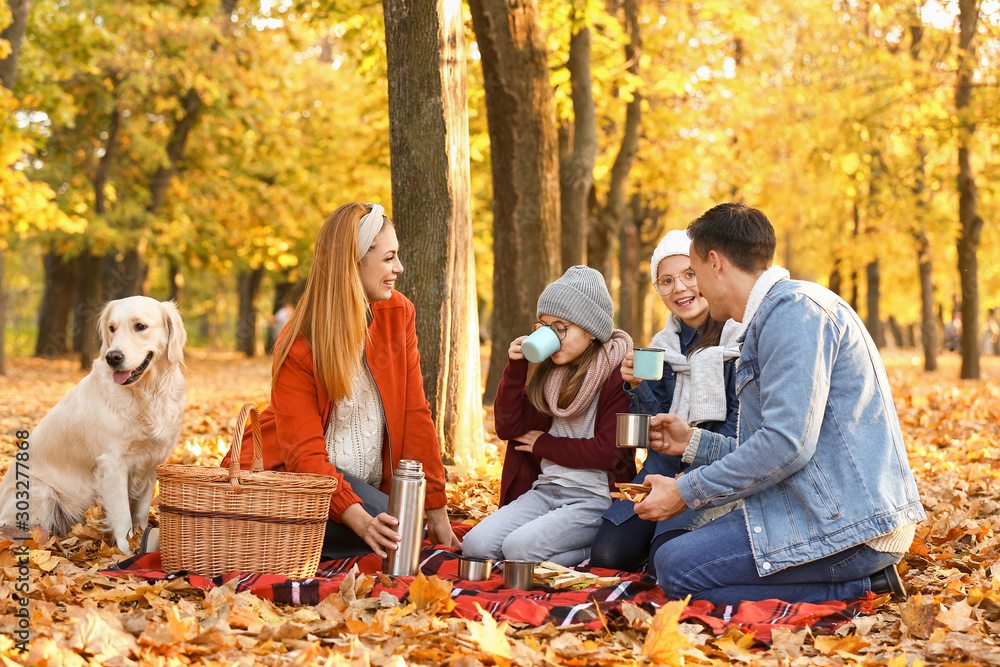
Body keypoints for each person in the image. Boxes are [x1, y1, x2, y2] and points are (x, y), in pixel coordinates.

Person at [637, 203, 925, 605]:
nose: (694, 287)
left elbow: (785, 445)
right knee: (670, 562)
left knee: (676, 567)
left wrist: (686, 490)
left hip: (855, 526)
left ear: (715, 263)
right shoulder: (772, 317)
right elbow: (777, 447)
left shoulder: (794, 313)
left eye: (695, 272)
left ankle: (863, 586)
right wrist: (694, 443)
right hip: (810, 505)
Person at [223, 202, 460, 560]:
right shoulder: (300, 341)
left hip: (354, 483)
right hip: (287, 477)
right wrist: (360, 521)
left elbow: (415, 415)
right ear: (354, 262)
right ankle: (235, 532)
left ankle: (287, 541)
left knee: (404, 527)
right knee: (386, 530)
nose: (399, 268)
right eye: (388, 258)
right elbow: (303, 455)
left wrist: (436, 509)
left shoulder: (399, 314)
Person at [461, 266, 637, 567]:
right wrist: (515, 369)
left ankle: (595, 550)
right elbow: (508, 427)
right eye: (543, 326)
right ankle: (553, 551)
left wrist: (545, 445)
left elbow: (609, 452)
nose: (550, 336)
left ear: (590, 329)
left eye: (560, 327)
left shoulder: (617, 375)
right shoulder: (551, 374)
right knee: (474, 546)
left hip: (594, 497)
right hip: (546, 490)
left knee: (519, 551)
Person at [589, 229, 742, 575]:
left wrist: (690, 442)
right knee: (607, 556)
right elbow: (648, 431)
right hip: (658, 471)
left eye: (690, 275)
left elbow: (739, 437)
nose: (681, 288)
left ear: (708, 274)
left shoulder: (738, 345)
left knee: (666, 561)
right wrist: (638, 385)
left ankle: (671, 539)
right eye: (667, 281)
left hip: (707, 477)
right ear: (658, 290)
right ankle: (651, 538)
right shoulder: (660, 350)